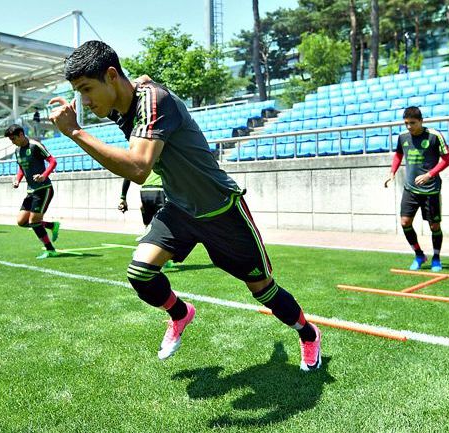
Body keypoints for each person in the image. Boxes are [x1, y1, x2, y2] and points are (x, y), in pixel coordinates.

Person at [49, 40, 321, 371]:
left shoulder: (154, 100)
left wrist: (75, 131)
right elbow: (135, 96)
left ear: (110, 75)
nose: (85, 101)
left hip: (221, 209)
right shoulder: (124, 108)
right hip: (179, 209)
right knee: (141, 273)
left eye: (87, 89)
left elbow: (138, 168)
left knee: (262, 290)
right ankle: (180, 313)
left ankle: (308, 333)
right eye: (79, 92)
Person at [384, 106, 449, 272]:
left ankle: (436, 257)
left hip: (431, 190)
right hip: (410, 189)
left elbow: (447, 159)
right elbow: (399, 154)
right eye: (406, 123)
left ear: (421, 121)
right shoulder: (402, 137)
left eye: (412, 123)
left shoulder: (434, 136)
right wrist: (392, 171)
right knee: (405, 222)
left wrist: (429, 174)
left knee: (434, 226)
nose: (409, 127)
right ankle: (419, 254)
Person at [4, 124, 61, 259]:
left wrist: (44, 175)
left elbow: (53, 161)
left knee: (34, 221)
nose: (12, 142)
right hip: (31, 191)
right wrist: (17, 180)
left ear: (21, 134)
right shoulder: (17, 151)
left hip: (43, 189)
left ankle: (50, 250)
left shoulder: (35, 145)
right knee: (22, 222)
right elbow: (22, 168)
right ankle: (52, 225)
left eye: (13, 139)